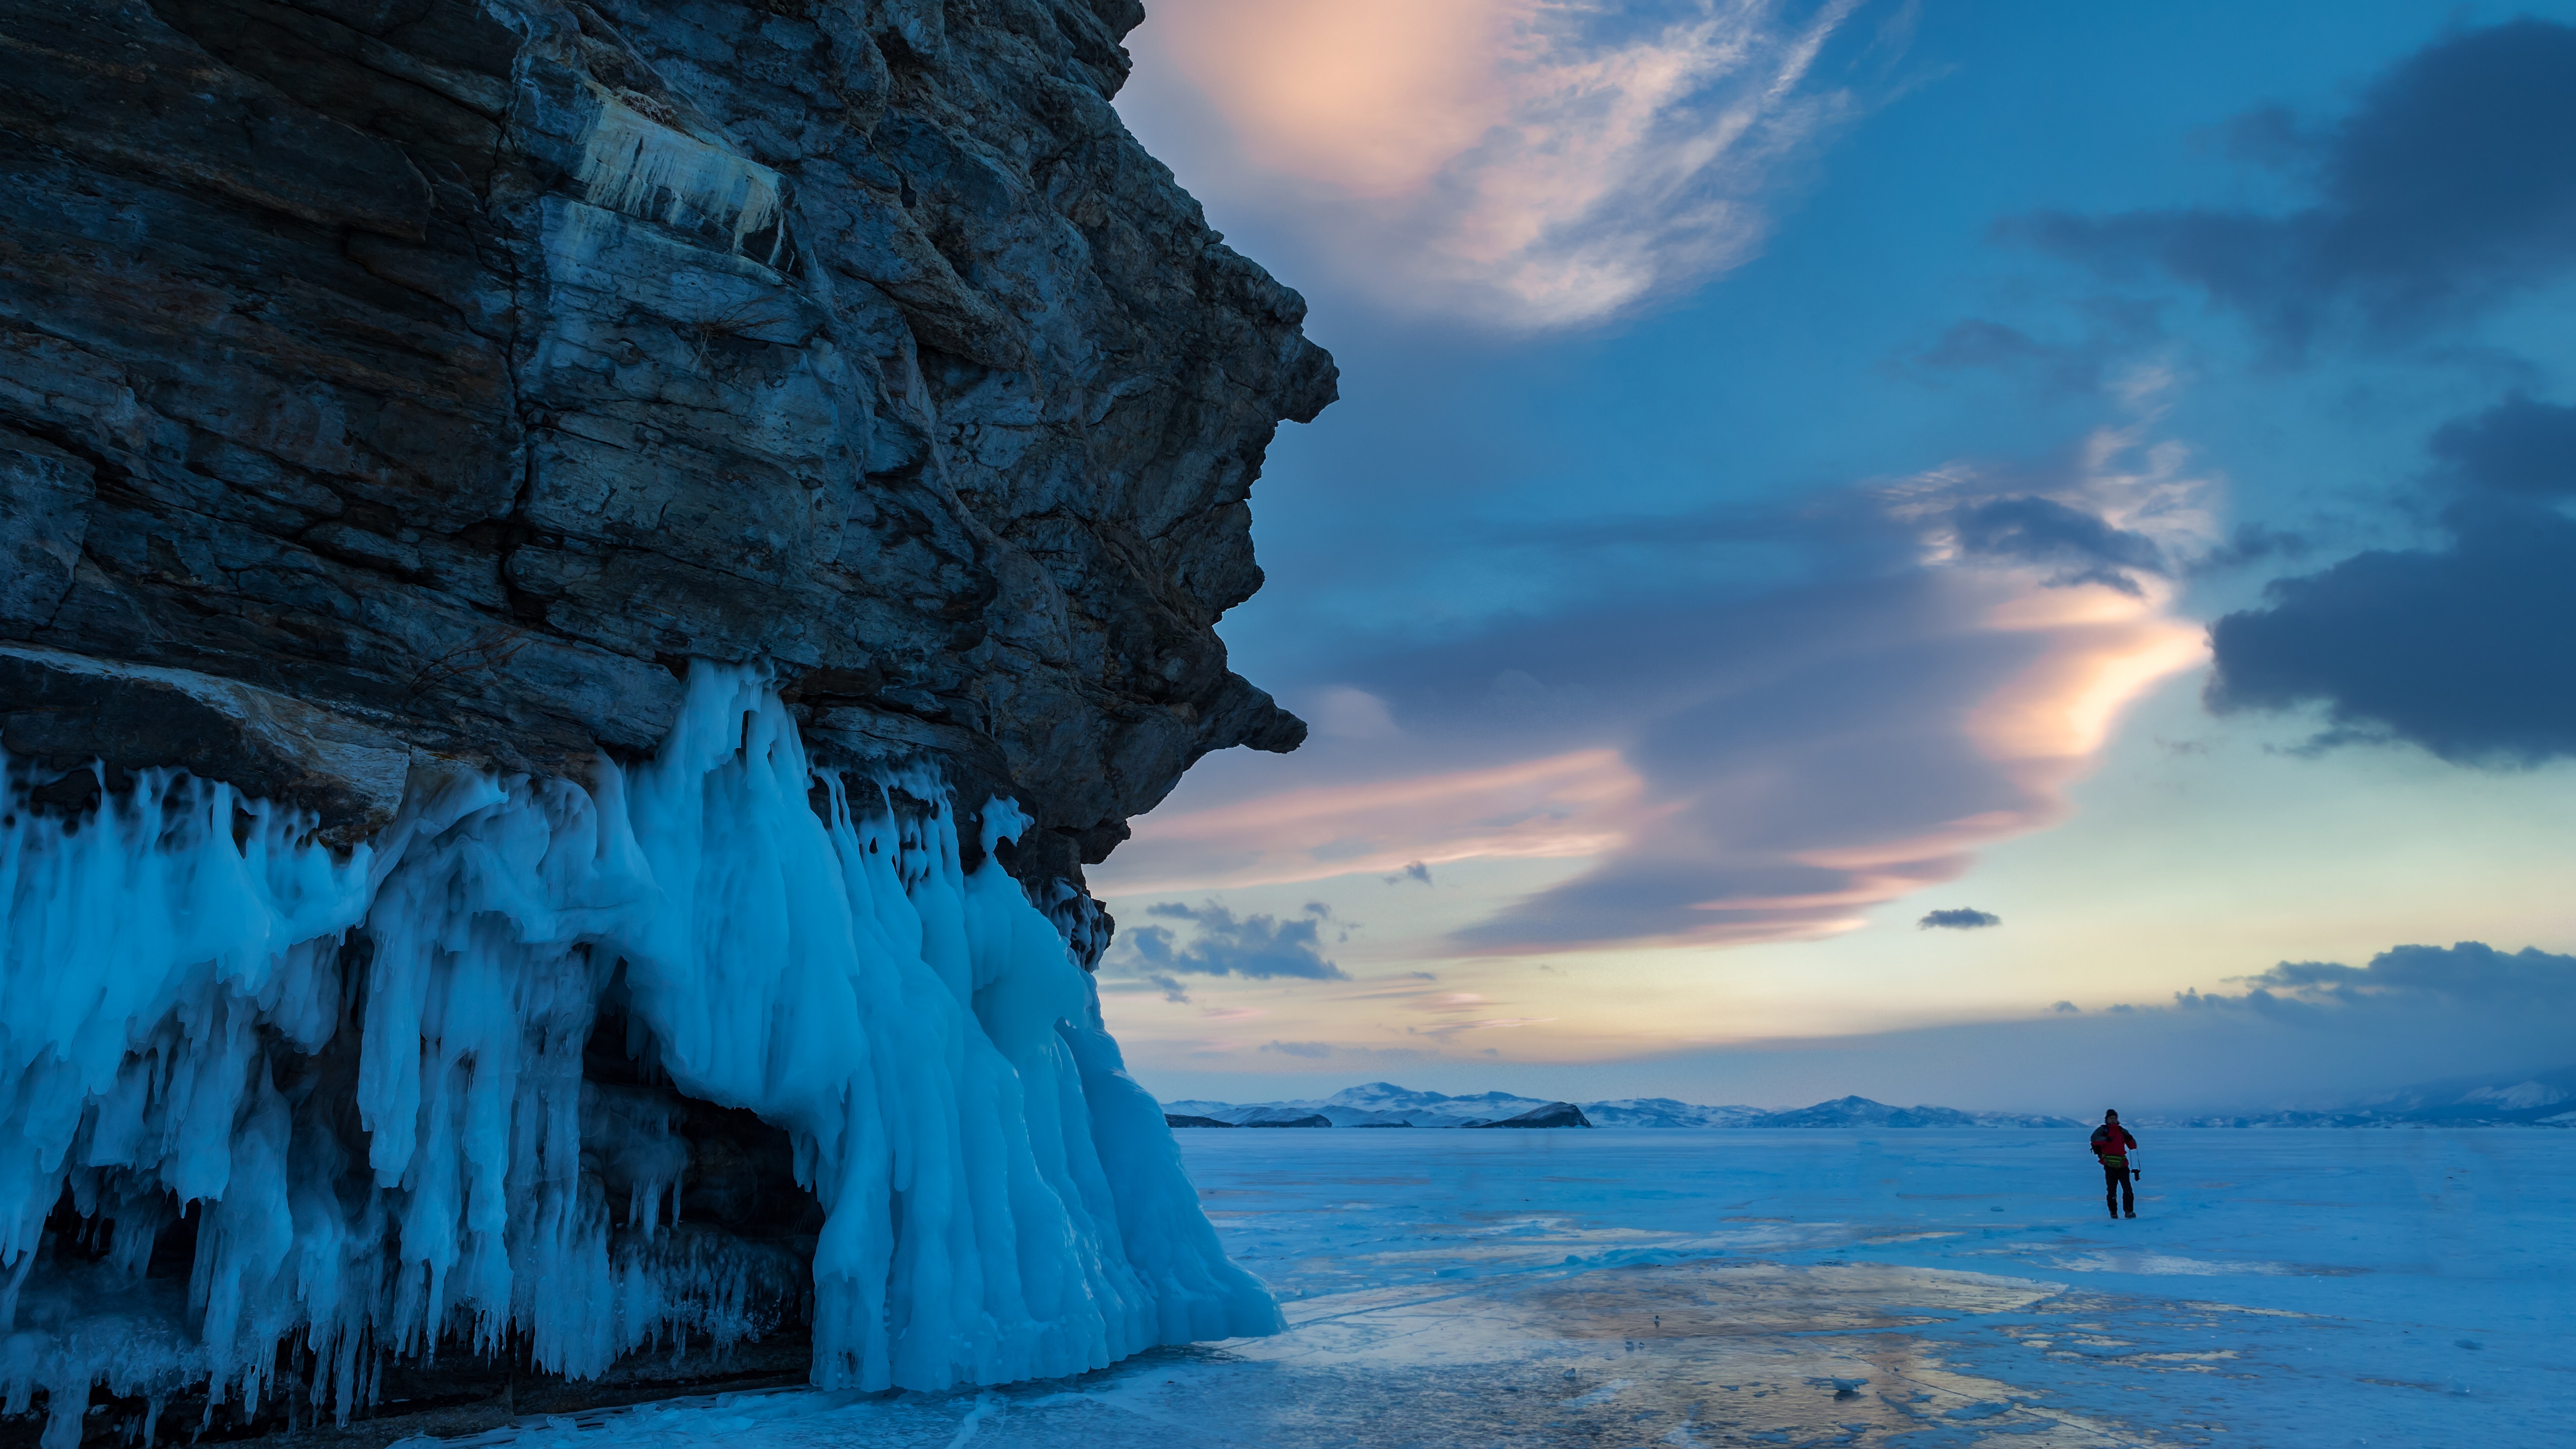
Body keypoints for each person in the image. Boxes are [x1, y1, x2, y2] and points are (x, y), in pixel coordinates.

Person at [2089, 1110, 2138, 1219]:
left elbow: (2133, 1146)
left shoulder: (2122, 1131)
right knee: (2112, 1190)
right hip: (2109, 1165)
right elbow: (2094, 1139)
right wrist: (2107, 1139)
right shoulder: (2103, 1130)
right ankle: (2114, 1213)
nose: (2113, 1120)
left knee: (2128, 1190)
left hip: (2123, 1164)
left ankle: (2129, 1212)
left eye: (2115, 1118)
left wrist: (2131, 1139)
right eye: (2111, 1118)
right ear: (2107, 1120)